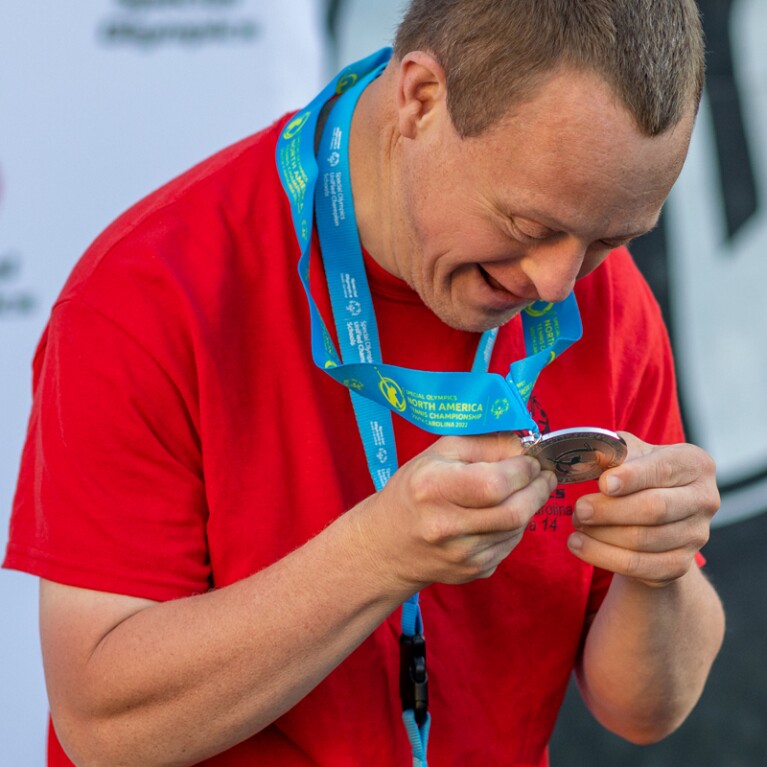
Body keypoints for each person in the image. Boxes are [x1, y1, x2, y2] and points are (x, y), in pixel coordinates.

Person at [3, 1, 725, 765]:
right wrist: (377, 556)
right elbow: (105, 729)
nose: (555, 282)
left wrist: (660, 565)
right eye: (526, 226)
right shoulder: (152, 295)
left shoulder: (605, 302)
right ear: (420, 98)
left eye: (611, 238)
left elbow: (641, 710)